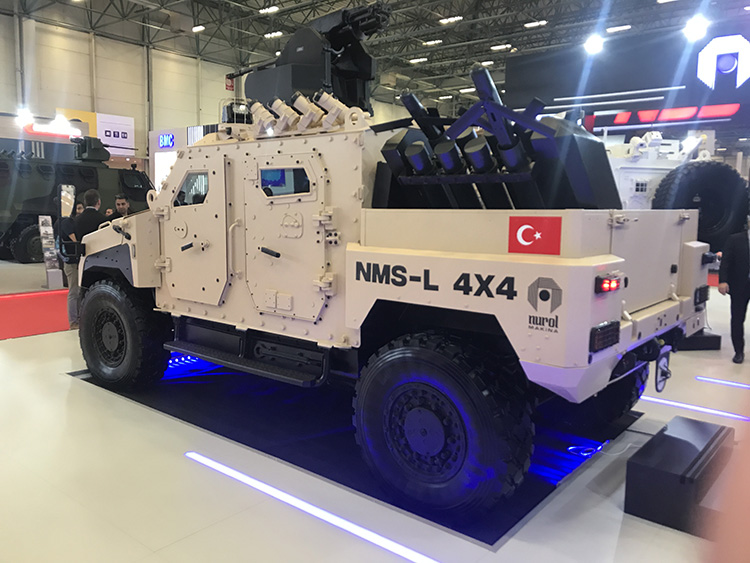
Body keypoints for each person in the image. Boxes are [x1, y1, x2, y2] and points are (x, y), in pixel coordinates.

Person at [718, 220, 750, 364]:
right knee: (737, 319)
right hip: (739, 286)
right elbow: (726, 262)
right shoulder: (735, 239)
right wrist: (723, 281)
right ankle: (738, 352)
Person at [59, 201, 84, 329]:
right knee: (74, 292)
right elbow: (75, 241)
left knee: (78, 292)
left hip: (76, 262)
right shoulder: (66, 222)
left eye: (81, 208)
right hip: (72, 262)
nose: (80, 211)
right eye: (78, 208)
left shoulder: (73, 222)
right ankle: (73, 322)